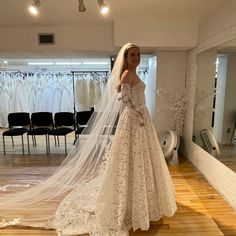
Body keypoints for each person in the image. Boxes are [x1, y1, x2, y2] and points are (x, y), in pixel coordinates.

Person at [0, 43, 176, 235]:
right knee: (130, 158)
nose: (136, 58)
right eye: (132, 55)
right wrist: (138, 115)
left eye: (138, 54)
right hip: (135, 121)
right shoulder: (127, 74)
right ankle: (129, 200)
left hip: (142, 120)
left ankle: (143, 199)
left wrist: (142, 115)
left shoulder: (133, 73)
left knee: (142, 158)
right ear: (125, 58)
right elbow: (125, 100)